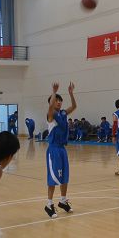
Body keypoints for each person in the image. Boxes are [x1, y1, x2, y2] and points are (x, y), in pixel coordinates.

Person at [44, 82, 76, 218]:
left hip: (62, 149)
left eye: (60, 100)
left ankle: (63, 201)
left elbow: (74, 106)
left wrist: (71, 93)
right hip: (53, 150)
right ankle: (49, 204)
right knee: (53, 178)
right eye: (56, 100)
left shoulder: (63, 113)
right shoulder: (51, 115)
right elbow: (51, 105)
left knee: (64, 177)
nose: (58, 102)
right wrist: (53, 91)